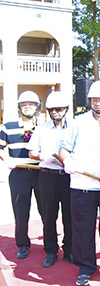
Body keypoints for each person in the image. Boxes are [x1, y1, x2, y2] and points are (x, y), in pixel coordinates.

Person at [59, 80, 100, 286]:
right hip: (83, 184)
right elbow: (63, 148)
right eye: (94, 99)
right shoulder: (78, 122)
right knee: (83, 227)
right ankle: (86, 266)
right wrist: (67, 161)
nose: (98, 103)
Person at [27, 91, 72, 268]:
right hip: (47, 176)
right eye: (51, 109)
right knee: (48, 215)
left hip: (68, 176)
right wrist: (42, 156)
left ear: (66, 109)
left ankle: (69, 249)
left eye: (58, 109)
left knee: (69, 215)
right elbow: (31, 152)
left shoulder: (73, 127)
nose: (54, 112)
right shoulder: (42, 128)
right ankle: (51, 250)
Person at [0, 90, 43, 260]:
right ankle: (23, 244)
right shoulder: (8, 126)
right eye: (24, 105)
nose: (27, 108)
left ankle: (49, 244)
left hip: (41, 174)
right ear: (19, 107)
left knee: (46, 210)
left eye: (31, 104)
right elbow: (0, 147)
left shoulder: (44, 127)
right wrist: (6, 159)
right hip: (18, 173)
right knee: (20, 211)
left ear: (37, 107)